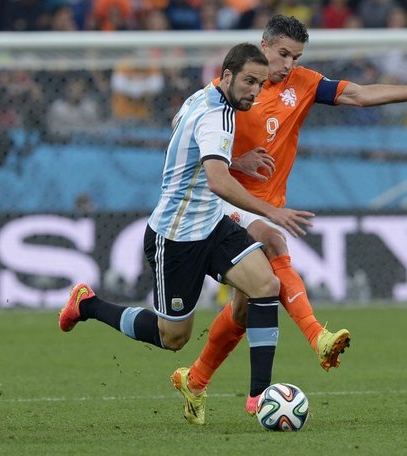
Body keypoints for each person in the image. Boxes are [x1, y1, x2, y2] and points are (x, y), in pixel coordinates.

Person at [181, 14, 407, 415]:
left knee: (243, 308)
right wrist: (235, 160)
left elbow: (360, 95)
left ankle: (195, 380)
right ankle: (316, 336)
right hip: (224, 202)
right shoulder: (232, 88)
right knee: (274, 241)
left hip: (266, 205)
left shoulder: (303, 83)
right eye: (283, 54)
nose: (288, 64)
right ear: (264, 46)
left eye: (296, 57)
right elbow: (185, 133)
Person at [57, 42, 314, 425]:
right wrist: (271, 211)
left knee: (265, 286)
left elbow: (179, 129)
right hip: (176, 238)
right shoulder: (218, 117)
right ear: (227, 75)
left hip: (211, 225)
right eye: (248, 81)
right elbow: (217, 182)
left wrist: (231, 160)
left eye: (260, 84)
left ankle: (260, 397)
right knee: (172, 338)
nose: (255, 91)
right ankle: (88, 304)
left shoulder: (203, 97)